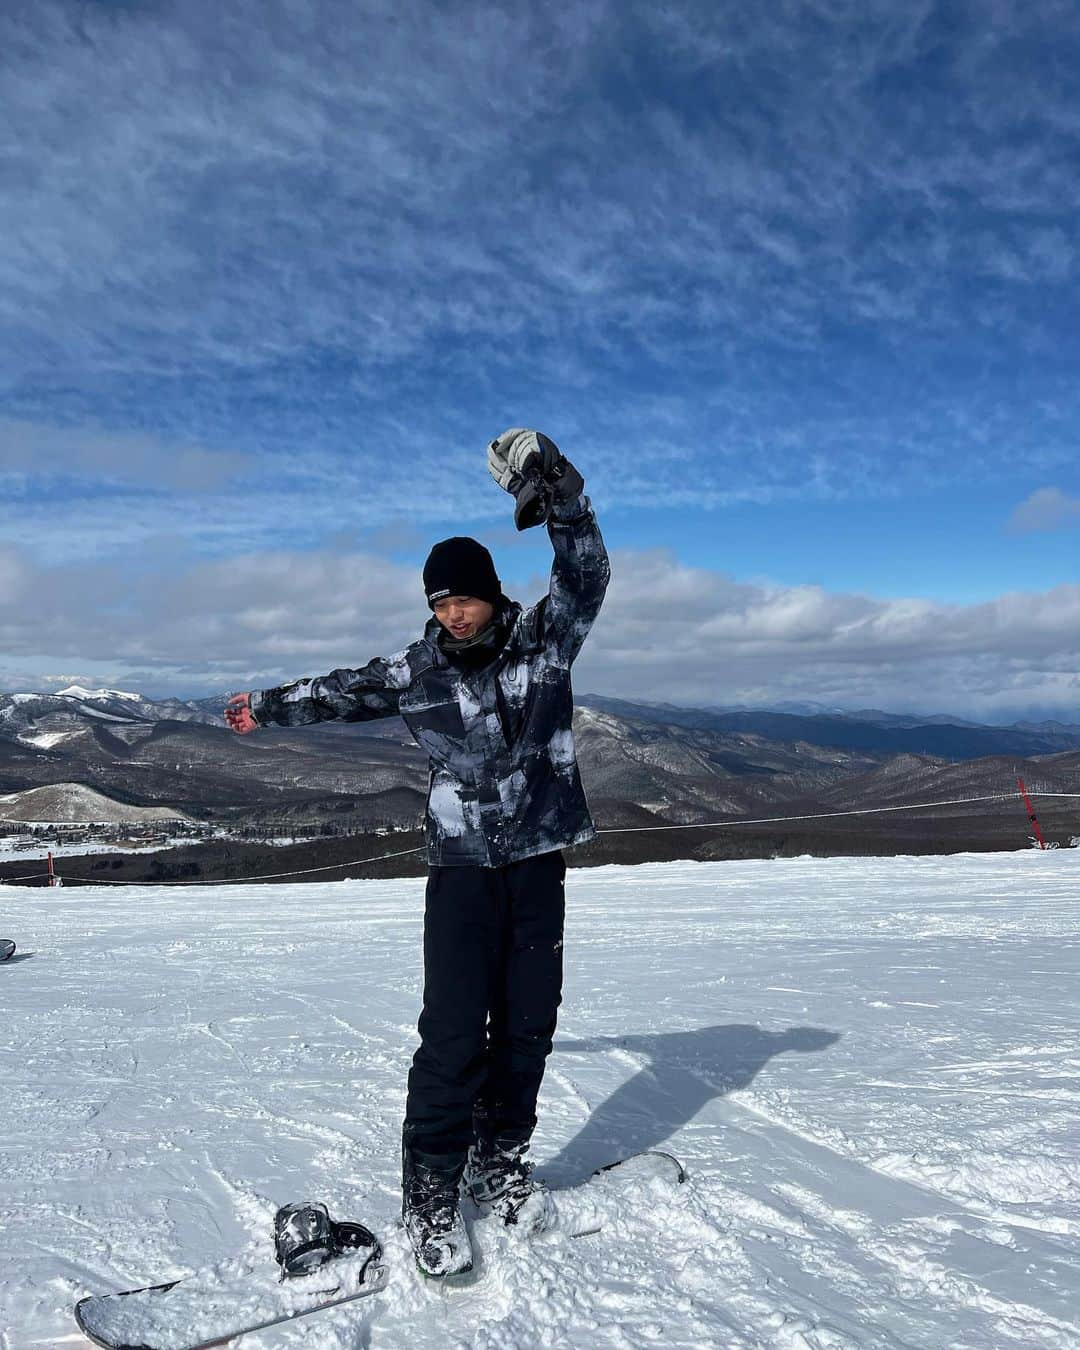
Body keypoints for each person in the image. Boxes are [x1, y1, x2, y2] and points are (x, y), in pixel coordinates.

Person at [225, 429, 610, 1277]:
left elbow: (585, 573)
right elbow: (335, 691)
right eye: (439, 604)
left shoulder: (545, 639)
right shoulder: (417, 671)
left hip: (538, 857)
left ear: (488, 593)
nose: (452, 614)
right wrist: (265, 707)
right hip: (463, 868)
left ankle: (498, 1161)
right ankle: (431, 1188)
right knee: (451, 1033)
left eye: (462, 600)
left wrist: (565, 498)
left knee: (527, 1026)